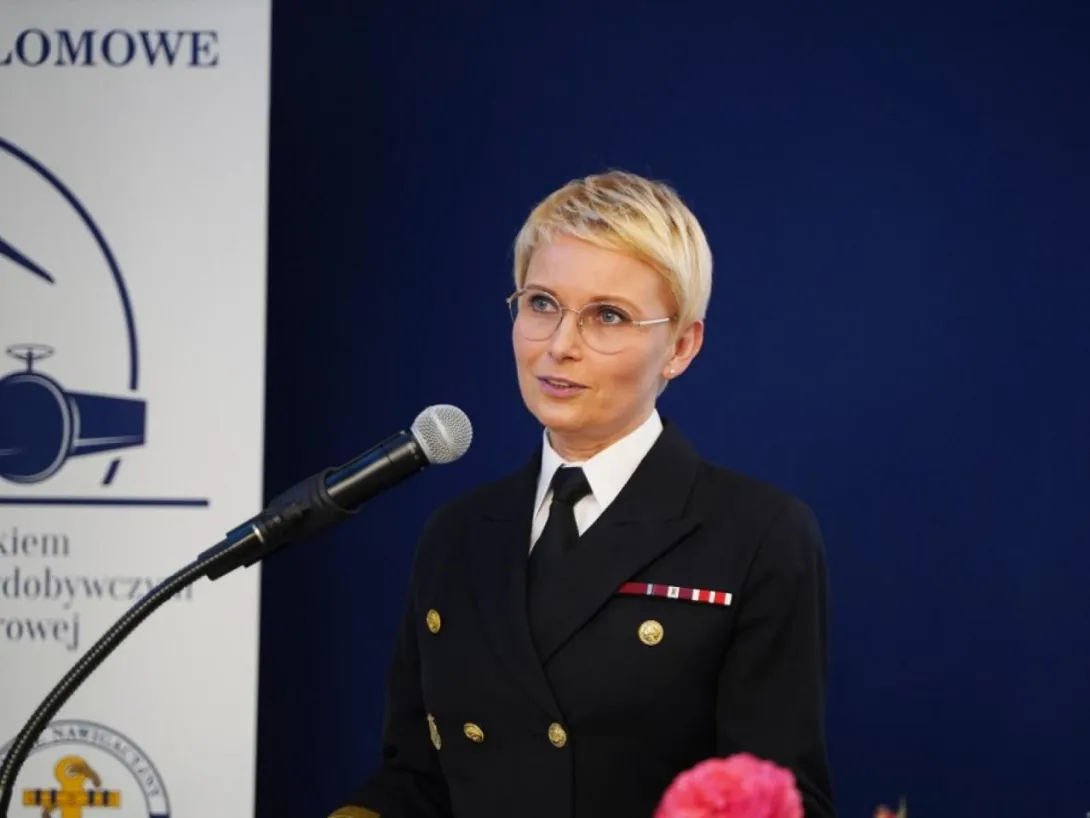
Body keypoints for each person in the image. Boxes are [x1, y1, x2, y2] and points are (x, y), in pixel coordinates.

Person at [328, 170, 835, 818]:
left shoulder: (757, 535)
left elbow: (776, 800)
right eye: (542, 303)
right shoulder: (458, 533)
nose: (560, 346)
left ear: (681, 346)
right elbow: (420, 780)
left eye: (607, 316)